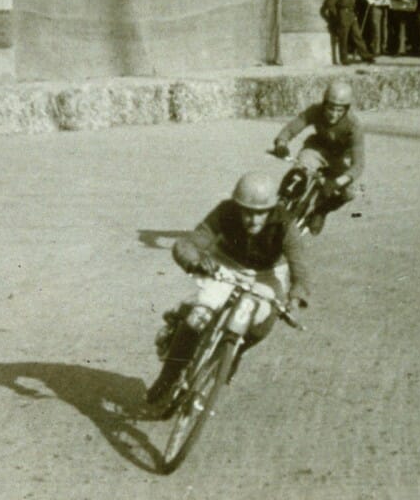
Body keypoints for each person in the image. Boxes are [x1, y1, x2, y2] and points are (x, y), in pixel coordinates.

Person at [146, 172, 311, 404]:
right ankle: (167, 377)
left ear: (272, 209)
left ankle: (234, 352)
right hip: (226, 264)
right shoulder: (224, 211)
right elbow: (189, 242)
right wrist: (195, 260)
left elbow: (299, 265)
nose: (253, 220)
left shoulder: (286, 223)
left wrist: (296, 295)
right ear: (237, 206)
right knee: (197, 317)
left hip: (265, 275)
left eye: (261, 213)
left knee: (262, 324)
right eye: (247, 211)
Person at [271, 80, 365, 236]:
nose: (333, 114)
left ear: (346, 109)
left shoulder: (354, 125)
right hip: (316, 149)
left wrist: (336, 183)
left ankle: (321, 211)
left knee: (350, 192)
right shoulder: (315, 110)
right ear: (324, 104)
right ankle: (283, 201)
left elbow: (358, 165)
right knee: (300, 170)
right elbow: (292, 128)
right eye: (330, 108)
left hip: (338, 158)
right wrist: (281, 143)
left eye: (339, 110)